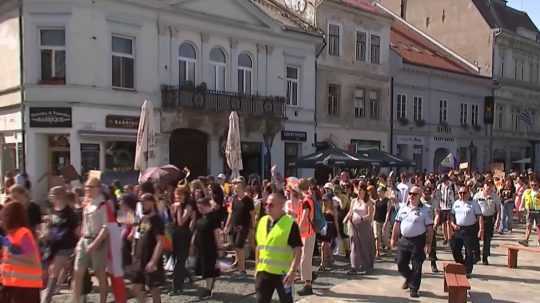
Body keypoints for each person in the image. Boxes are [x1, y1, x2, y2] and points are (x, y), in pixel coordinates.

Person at [255, 193, 302, 303]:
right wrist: (257, 269)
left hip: (283, 274)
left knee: (286, 301)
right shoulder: (262, 221)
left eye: (271, 205)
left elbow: (298, 251)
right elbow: (259, 247)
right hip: (263, 272)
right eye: (266, 204)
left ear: (281, 205)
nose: (267, 207)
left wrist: (292, 272)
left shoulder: (290, 224)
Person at [72, 178, 110, 303]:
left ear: (98, 188)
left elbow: (105, 228)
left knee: (99, 273)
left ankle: (103, 300)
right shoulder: (87, 203)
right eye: (86, 187)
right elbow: (84, 223)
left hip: (97, 241)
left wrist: (95, 244)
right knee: (78, 271)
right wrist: (80, 240)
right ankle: (76, 300)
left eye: (90, 187)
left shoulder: (102, 204)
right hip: (85, 240)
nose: (87, 189)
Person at [391, 186, 433, 298]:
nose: (411, 196)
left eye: (414, 194)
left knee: (417, 265)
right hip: (404, 240)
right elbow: (397, 224)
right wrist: (393, 238)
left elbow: (429, 229)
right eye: (410, 194)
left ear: (420, 196)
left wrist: (429, 244)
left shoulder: (425, 209)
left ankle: (414, 288)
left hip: (418, 241)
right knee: (400, 263)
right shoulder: (403, 208)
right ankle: (410, 278)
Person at [42, 186, 80, 303]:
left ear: (61, 195)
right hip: (53, 247)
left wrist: (76, 248)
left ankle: (46, 298)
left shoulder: (71, 213)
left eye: (53, 194)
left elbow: (78, 231)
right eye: (51, 195)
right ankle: (75, 296)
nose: (51, 197)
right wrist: (45, 232)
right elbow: (50, 226)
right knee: (55, 272)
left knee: (54, 271)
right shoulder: (53, 210)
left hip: (66, 247)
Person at [0, 201, 43, 303]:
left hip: (26, 288)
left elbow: (33, 260)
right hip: (10, 285)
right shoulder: (9, 236)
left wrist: (11, 259)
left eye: (4, 215)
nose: (2, 219)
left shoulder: (24, 234)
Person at [131, 193, 165, 303]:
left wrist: (153, 261)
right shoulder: (143, 219)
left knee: (154, 289)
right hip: (140, 259)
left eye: (145, 202)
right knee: (137, 288)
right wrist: (134, 254)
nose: (142, 204)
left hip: (151, 258)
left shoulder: (157, 220)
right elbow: (141, 237)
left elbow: (160, 241)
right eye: (141, 202)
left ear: (152, 203)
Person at [450, 186, 483, 278]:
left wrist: (481, 229)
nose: (462, 195)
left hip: (470, 229)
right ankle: (462, 264)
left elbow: (479, 216)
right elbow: (452, 216)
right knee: (455, 249)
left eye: (464, 193)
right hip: (458, 229)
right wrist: (453, 224)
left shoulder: (474, 203)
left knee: (469, 251)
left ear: (468, 193)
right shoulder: (456, 203)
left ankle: (468, 270)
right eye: (460, 193)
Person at [224, 177, 254, 278]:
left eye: (237, 184)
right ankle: (238, 263)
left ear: (242, 187)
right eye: (235, 185)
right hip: (234, 225)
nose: (235, 186)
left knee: (239, 246)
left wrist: (252, 227)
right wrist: (227, 225)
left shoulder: (248, 200)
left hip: (243, 226)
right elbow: (231, 213)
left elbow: (252, 214)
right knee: (235, 246)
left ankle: (242, 270)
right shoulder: (234, 199)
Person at [194, 197, 223, 299]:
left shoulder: (213, 218)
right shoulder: (202, 217)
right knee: (205, 269)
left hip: (210, 247)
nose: (199, 209)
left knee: (208, 270)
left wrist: (220, 247)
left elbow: (217, 234)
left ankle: (208, 290)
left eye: (201, 207)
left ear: (207, 206)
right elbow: (197, 231)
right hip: (201, 248)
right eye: (198, 207)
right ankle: (209, 287)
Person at [169, 184, 194, 295]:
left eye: (179, 195)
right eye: (176, 195)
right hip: (175, 235)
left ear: (184, 196)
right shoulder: (173, 205)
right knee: (176, 260)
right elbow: (172, 222)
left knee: (180, 261)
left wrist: (178, 209)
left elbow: (181, 222)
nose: (177, 197)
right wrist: (172, 209)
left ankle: (176, 287)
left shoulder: (188, 206)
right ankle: (187, 275)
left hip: (184, 235)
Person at [344, 184, 375, 275]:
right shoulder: (353, 201)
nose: (359, 191)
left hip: (364, 225)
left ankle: (367, 266)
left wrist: (361, 218)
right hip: (353, 225)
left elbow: (370, 215)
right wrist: (345, 220)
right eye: (358, 189)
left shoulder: (368, 202)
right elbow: (350, 212)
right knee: (354, 246)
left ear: (365, 191)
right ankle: (354, 267)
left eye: (361, 189)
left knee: (364, 246)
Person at [295, 178, 316, 296]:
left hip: (307, 232)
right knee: (305, 259)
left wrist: (297, 231)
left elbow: (304, 217)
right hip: (308, 232)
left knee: (305, 260)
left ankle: (308, 285)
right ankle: (309, 278)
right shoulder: (307, 199)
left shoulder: (306, 200)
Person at [473, 179, 500, 265]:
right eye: (487, 185)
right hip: (478, 219)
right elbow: (473, 208)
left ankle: (485, 257)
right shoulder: (477, 196)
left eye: (490, 185)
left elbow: (498, 209)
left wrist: (498, 220)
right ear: (483, 186)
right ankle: (477, 255)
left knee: (487, 239)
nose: (488, 187)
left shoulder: (495, 196)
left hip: (489, 219)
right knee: (476, 238)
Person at [421, 186, 440, 273]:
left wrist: (436, 223)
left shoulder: (434, 201)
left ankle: (433, 263)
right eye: (425, 193)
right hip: (421, 226)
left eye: (428, 193)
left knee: (432, 245)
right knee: (420, 246)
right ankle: (418, 264)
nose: (426, 195)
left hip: (431, 226)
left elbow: (436, 213)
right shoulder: (420, 201)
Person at [318, 193, 339, 271]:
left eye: (326, 200)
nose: (324, 202)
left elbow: (336, 221)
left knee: (324, 245)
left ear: (330, 200)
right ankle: (330, 258)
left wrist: (338, 232)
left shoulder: (333, 209)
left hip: (330, 228)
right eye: (323, 200)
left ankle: (323, 263)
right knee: (324, 245)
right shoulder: (322, 208)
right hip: (324, 228)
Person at [436, 175, 456, 245]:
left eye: (446, 180)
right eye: (443, 181)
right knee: (443, 223)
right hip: (442, 207)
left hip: (450, 207)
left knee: (448, 223)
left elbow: (455, 195)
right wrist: (437, 206)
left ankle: (450, 238)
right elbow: (437, 197)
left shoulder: (452, 185)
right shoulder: (440, 186)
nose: (445, 182)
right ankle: (445, 238)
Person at [519, 178, 540, 247]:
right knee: (528, 225)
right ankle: (526, 240)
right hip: (530, 211)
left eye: (535, 185)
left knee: (539, 226)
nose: (533, 186)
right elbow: (523, 199)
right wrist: (521, 207)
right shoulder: (527, 191)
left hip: (538, 211)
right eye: (532, 185)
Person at [372, 186, 392, 257]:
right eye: (377, 191)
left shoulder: (388, 201)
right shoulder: (376, 201)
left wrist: (386, 222)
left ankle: (389, 246)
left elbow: (388, 212)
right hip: (376, 220)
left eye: (379, 191)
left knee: (385, 237)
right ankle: (378, 251)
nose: (378, 193)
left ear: (383, 192)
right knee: (377, 236)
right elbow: (374, 211)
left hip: (384, 221)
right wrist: (372, 220)